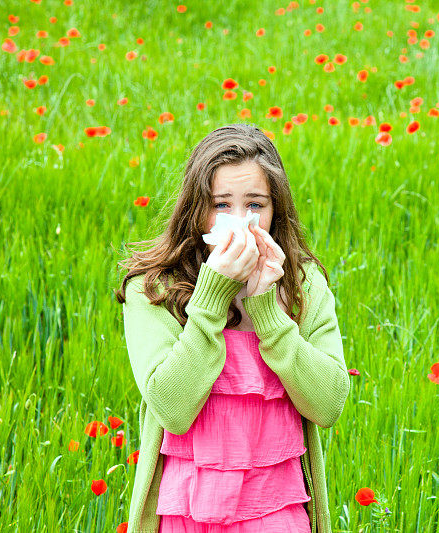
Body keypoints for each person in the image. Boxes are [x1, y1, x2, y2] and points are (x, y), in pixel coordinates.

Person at [115, 123, 350, 533]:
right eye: (222, 205)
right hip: (185, 512)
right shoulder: (154, 289)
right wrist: (212, 296)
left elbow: (328, 404)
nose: (240, 221)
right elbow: (171, 407)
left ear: (276, 211)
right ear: (196, 208)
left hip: (278, 511)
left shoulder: (302, 284)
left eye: (255, 204)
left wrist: (269, 312)